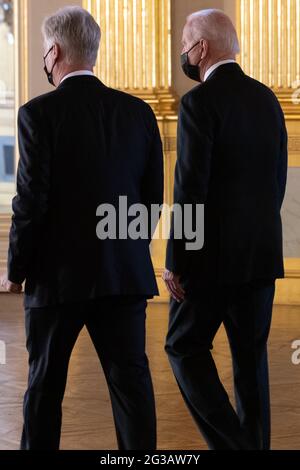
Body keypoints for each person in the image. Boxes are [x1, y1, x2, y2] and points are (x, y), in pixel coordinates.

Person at [0, 6, 163, 450]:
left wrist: (15, 269)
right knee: (131, 388)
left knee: (45, 388)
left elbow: (31, 201)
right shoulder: (138, 113)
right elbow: (152, 201)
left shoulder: (38, 115)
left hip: (57, 280)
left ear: (53, 52)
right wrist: (125, 249)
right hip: (123, 275)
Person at [163, 9, 287, 450]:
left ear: (202, 48)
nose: (182, 51)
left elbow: (191, 189)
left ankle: (235, 447)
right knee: (250, 362)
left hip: (210, 262)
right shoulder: (268, 98)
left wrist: (176, 260)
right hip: (260, 256)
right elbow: (277, 183)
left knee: (182, 348)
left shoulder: (198, 103)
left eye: (184, 42)